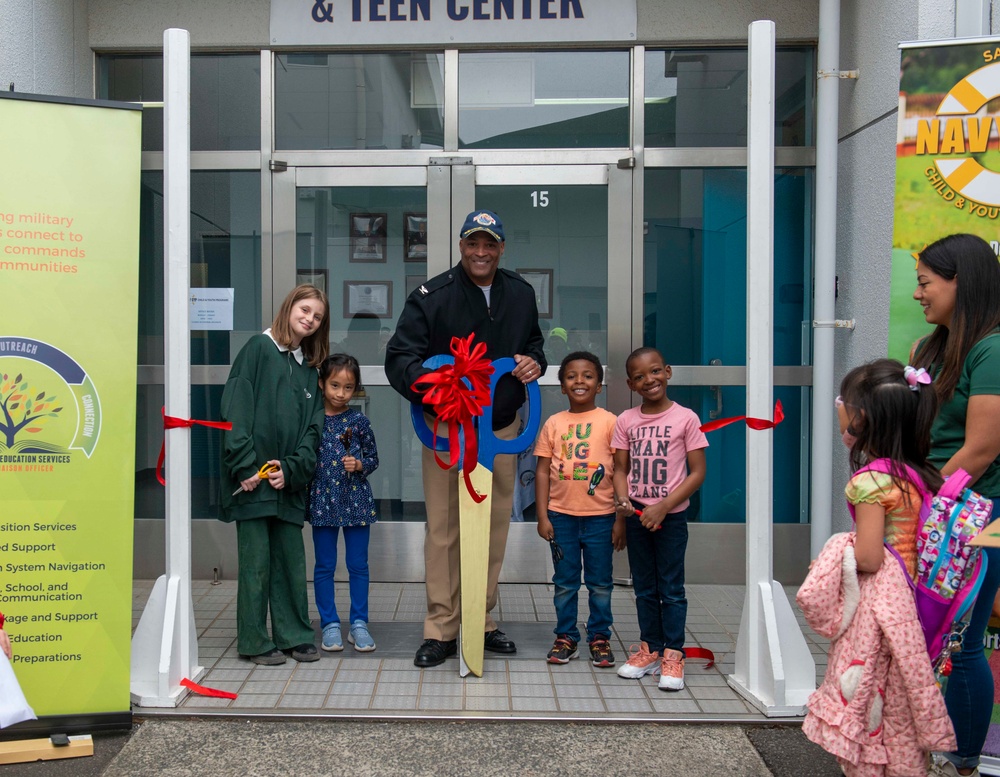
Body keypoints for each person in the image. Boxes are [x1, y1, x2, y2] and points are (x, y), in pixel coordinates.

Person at [385, 209, 546, 668]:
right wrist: (437, 387)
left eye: (490, 244)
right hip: (447, 427)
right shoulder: (431, 296)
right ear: (461, 246)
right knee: (444, 529)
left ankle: (479, 618)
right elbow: (401, 359)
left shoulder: (520, 292)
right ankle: (441, 626)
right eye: (473, 243)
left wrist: (536, 361)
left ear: (500, 248)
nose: (481, 252)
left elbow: (533, 345)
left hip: (499, 430)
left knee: (494, 525)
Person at [801, 358, 954, 776]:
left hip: (879, 611)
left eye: (841, 400)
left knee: (869, 698)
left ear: (861, 416)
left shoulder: (872, 481)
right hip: (913, 605)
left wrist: (835, 555)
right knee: (897, 709)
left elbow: (868, 557)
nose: (838, 408)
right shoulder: (919, 474)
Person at [911, 234, 1000, 777]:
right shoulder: (932, 348)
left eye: (926, 282)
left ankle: (965, 760)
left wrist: (927, 501)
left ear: (960, 282)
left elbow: (983, 448)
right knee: (933, 635)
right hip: (934, 509)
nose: (919, 294)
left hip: (980, 515)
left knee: (963, 641)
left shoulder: (993, 347)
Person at [219, 284, 330, 666]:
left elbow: (313, 430)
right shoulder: (257, 350)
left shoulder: (308, 368)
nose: (309, 319)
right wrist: (245, 466)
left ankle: (295, 637)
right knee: (256, 564)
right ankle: (254, 640)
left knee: (290, 560)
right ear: (288, 307)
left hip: (287, 482)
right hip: (253, 481)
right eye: (305, 309)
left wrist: (293, 468)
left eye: (317, 317)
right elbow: (235, 408)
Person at [611, 347, 708, 691]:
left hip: (671, 518)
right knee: (645, 587)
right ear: (630, 383)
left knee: (671, 588)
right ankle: (649, 648)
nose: (648, 380)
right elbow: (620, 468)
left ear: (667, 371)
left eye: (654, 372)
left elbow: (697, 474)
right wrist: (623, 501)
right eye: (639, 376)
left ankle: (673, 654)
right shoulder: (626, 420)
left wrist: (664, 506)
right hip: (637, 515)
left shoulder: (686, 418)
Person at [534, 351, 624, 667]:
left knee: (600, 582)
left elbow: (622, 471)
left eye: (588, 376)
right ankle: (566, 637)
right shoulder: (554, 423)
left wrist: (620, 520)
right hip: (561, 517)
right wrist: (543, 515)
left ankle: (599, 638)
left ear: (599, 385)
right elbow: (543, 470)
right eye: (571, 376)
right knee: (565, 582)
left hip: (602, 518)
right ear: (562, 386)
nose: (579, 381)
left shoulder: (612, 422)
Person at [307, 353, 380, 653]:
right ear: (322, 383)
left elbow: (374, 458)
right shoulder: (311, 420)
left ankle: (359, 623)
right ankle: (330, 624)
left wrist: (359, 465)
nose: (340, 393)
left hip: (356, 501)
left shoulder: (359, 421)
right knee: (324, 565)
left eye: (348, 388)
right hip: (323, 501)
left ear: (356, 389)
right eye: (334, 385)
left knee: (357, 565)